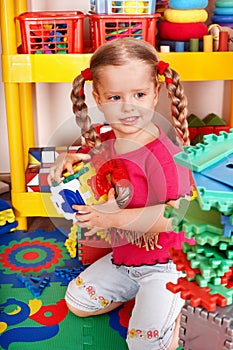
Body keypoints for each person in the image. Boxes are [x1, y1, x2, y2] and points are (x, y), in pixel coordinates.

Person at [49, 37, 192, 350]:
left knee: (144, 346)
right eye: (115, 97)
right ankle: (144, 296)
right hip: (127, 257)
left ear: (156, 94)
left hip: (168, 261)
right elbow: (93, 164)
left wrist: (108, 216)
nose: (128, 107)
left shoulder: (166, 157)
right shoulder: (108, 141)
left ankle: (177, 298)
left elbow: (174, 217)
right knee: (77, 303)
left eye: (139, 94)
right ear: (98, 99)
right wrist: (68, 161)